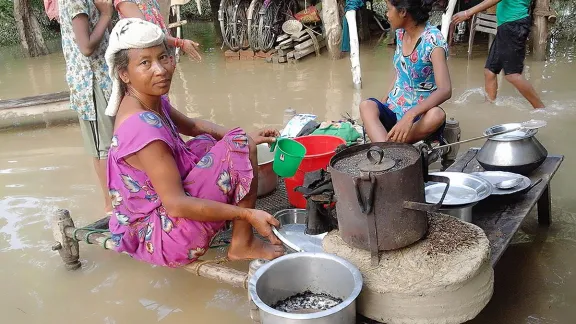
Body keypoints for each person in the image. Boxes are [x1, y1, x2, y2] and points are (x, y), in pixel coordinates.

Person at [104, 18, 284, 267]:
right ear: (124, 74)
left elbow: (193, 126)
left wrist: (242, 136)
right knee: (239, 148)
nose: (160, 69)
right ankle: (242, 244)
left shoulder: (149, 100)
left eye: (164, 57)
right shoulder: (141, 127)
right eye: (145, 63)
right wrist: (246, 214)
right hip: (161, 236)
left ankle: (236, 226)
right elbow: (176, 205)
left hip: (155, 211)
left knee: (209, 143)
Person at [360, 0, 452, 144]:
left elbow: (445, 90)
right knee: (366, 106)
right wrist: (384, 100)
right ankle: (390, 147)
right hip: (394, 109)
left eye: (389, 9)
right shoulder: (401, 33)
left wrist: (411, 114)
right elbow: (401, 70)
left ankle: (388, 146)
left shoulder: (434, 41)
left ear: (403, 12)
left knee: (437, 115)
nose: (387, 15)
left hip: (417, 118)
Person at [59, 0, 115, 216]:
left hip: (99, 79)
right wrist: (106, 15)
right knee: (105, 148)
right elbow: (86, 47)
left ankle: (113, 202)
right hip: (92, 82)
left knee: (103, 147)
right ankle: (112, 204)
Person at [452, 0, 545, 109]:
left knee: (513, 75)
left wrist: (468, 12)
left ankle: (541, 109)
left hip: (514, 25)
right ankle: (489, 108)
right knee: (490, 71)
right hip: (507, 26)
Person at [114, 0, 202, 61]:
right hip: (146, 59)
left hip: (162, 55)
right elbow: (147, 32)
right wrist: (180, 43)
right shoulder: (124, 1)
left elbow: (160, 27)